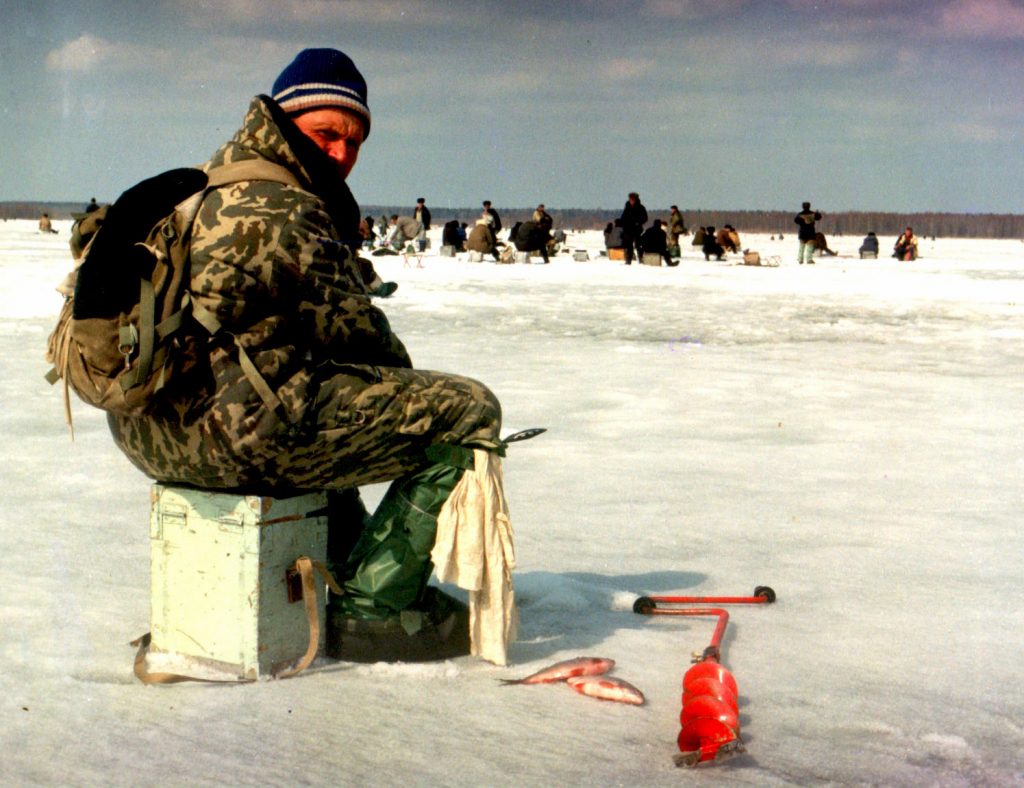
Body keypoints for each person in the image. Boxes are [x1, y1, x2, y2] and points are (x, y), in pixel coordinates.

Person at [105, 48, 515, 664]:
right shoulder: (287, 206)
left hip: (148, 434)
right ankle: (372, 606)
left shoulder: (200, 184)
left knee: (310, 394)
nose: (342, 153)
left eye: (354, 141)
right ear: (286, 121)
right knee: (468, 410)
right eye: (327, 133)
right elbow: (359, 338)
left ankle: (340, 558)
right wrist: (409, 401)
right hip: (235, 440)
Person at [619, 192, 648, 265]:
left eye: (632, 199)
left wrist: (638, 222)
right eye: (630, 199)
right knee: (629, 245)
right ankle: (628, 260)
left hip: (637, 229)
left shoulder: (641, 208)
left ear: (636, 199)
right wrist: (621, 223)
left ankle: (640, 259)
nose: (631, 201)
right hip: (628, 230)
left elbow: (645, 218)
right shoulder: (627, 207)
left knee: (638, 245)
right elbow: (623, 218)